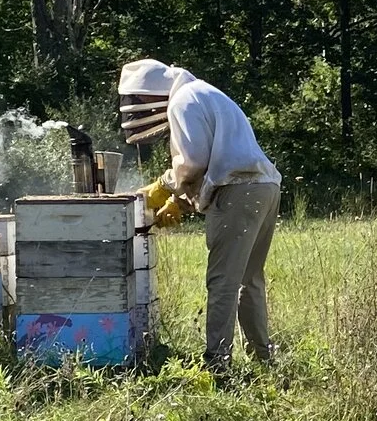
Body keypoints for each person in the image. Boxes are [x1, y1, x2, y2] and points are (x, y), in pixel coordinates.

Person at [118, 59, 282, 373]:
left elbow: (192, 162)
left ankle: (217, 364)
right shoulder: (202, 93)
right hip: (264, 187)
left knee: (222, 282)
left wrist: (164, 186)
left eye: (137, 102)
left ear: (147, 96)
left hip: (240, 190)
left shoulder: (182, 101)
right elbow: (216, 164)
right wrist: (183, 203)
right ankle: (262, 357)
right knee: (250, 278)